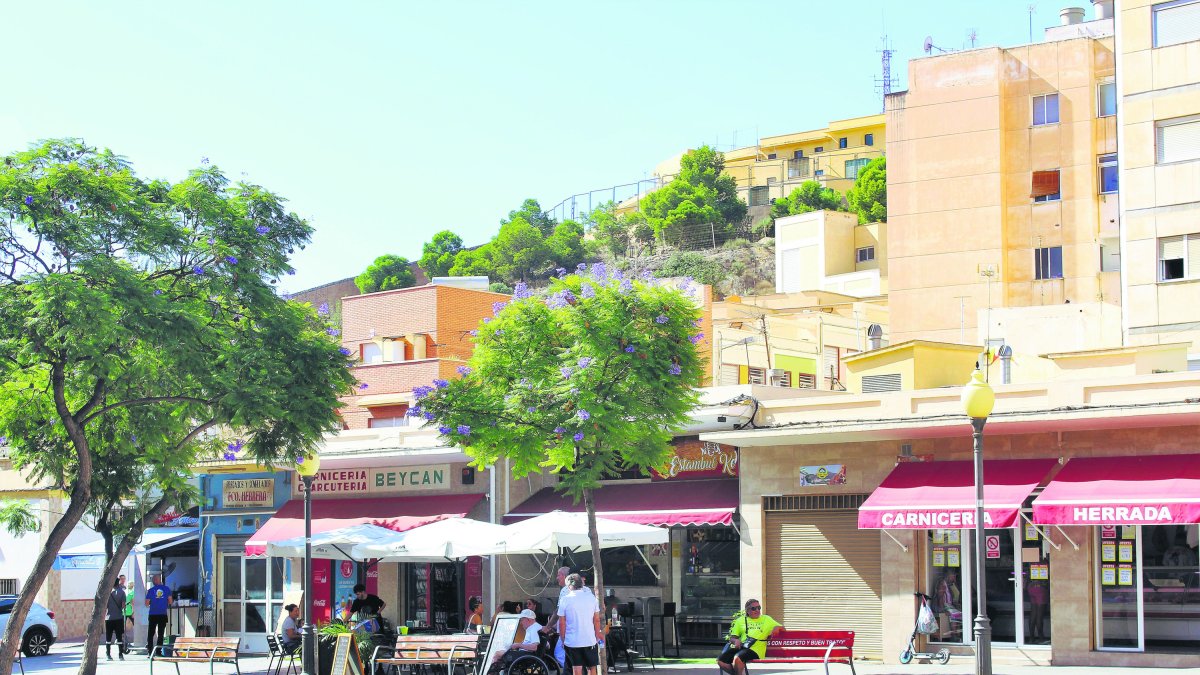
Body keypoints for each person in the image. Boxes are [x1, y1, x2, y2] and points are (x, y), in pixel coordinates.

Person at [717, 599, 782, 675]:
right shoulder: (740, 620)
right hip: (743, 647)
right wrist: (735, 641)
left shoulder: (766, 619)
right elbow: (732, 637)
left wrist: (776, 628)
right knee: (720, 660)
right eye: (754, 608)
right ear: (747, 611)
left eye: (759, 608)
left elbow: (782, 628)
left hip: (757, 649)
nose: (757, 610)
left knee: (737, 658)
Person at [558, 574, 602, 675]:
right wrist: (597, 636)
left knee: (576, 669)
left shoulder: (565, 599)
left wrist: (563, 638)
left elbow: (562, 623)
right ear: (581, 584)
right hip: (590, 639)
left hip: (572, 641)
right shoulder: (591, 598)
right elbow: (596, 620)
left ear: (569, 586)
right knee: (592, 668)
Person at [488, 609, 543, 674]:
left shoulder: (533, 629)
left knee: (497, 654)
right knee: (501, 652)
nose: (521, 623)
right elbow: (547, 645)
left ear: (528, 620)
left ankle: (491, 672)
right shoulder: (536, 627)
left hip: (525, 656)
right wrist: (519, 644)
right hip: (526, 655)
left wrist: (518, 645)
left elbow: (534, 647)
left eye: (522, 620)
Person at [145, 574, 172, 656]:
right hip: (162, 614)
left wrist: (152, 604)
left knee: (151, 633)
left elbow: (146, 603)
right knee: (161, 634)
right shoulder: (167, 589)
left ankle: (150, 651)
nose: (153, 582)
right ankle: (158, 652)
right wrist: (164, 603)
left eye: (153, 580)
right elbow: (170, 601)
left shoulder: (150, 590)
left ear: (155, 581)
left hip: (153, 614)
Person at [105, 578, 127, 660]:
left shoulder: (108, 593)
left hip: (109, 618)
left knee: (108, 637)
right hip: (118, 617)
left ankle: (108, 654)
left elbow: (105, 606)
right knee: (119, 637)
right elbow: (123, 606)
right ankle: (120, 655)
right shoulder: (122, 592)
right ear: (118, 583)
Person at [120, 575, 134, 653]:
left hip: (123, 611)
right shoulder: (132, 592)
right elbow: (133, 603)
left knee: (122, 628)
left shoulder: (124, 591)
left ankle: (123, 640)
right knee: (136, 626)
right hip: (130, 611)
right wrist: (133, 612)